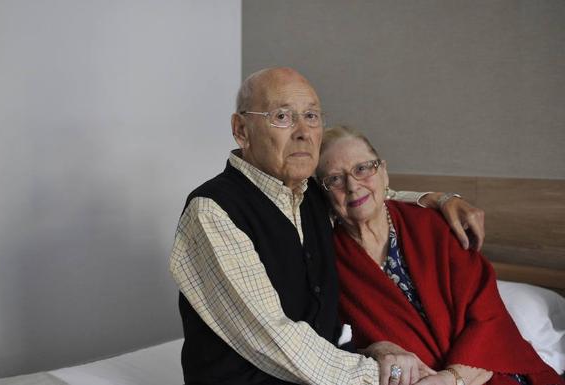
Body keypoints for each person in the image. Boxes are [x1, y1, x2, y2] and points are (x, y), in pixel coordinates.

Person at [170, 67, 484, 385]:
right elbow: (275, 337)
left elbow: (370, 194)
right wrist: (384, 378)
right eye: (282, 116)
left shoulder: (314, 197)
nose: (304, 132)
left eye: (312, 116)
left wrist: (439, 199)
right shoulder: (212, 211)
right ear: (242, 130)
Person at [315, 125, 564, 385]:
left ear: (384, 172)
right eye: (335, 179)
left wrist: (450, 379)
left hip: (487, 370)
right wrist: (376, 351)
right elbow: (337, 342)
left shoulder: (434, 227)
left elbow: (488, 315)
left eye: (362, 169)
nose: (353, 186)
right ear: (324, 193)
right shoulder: (327, 261)